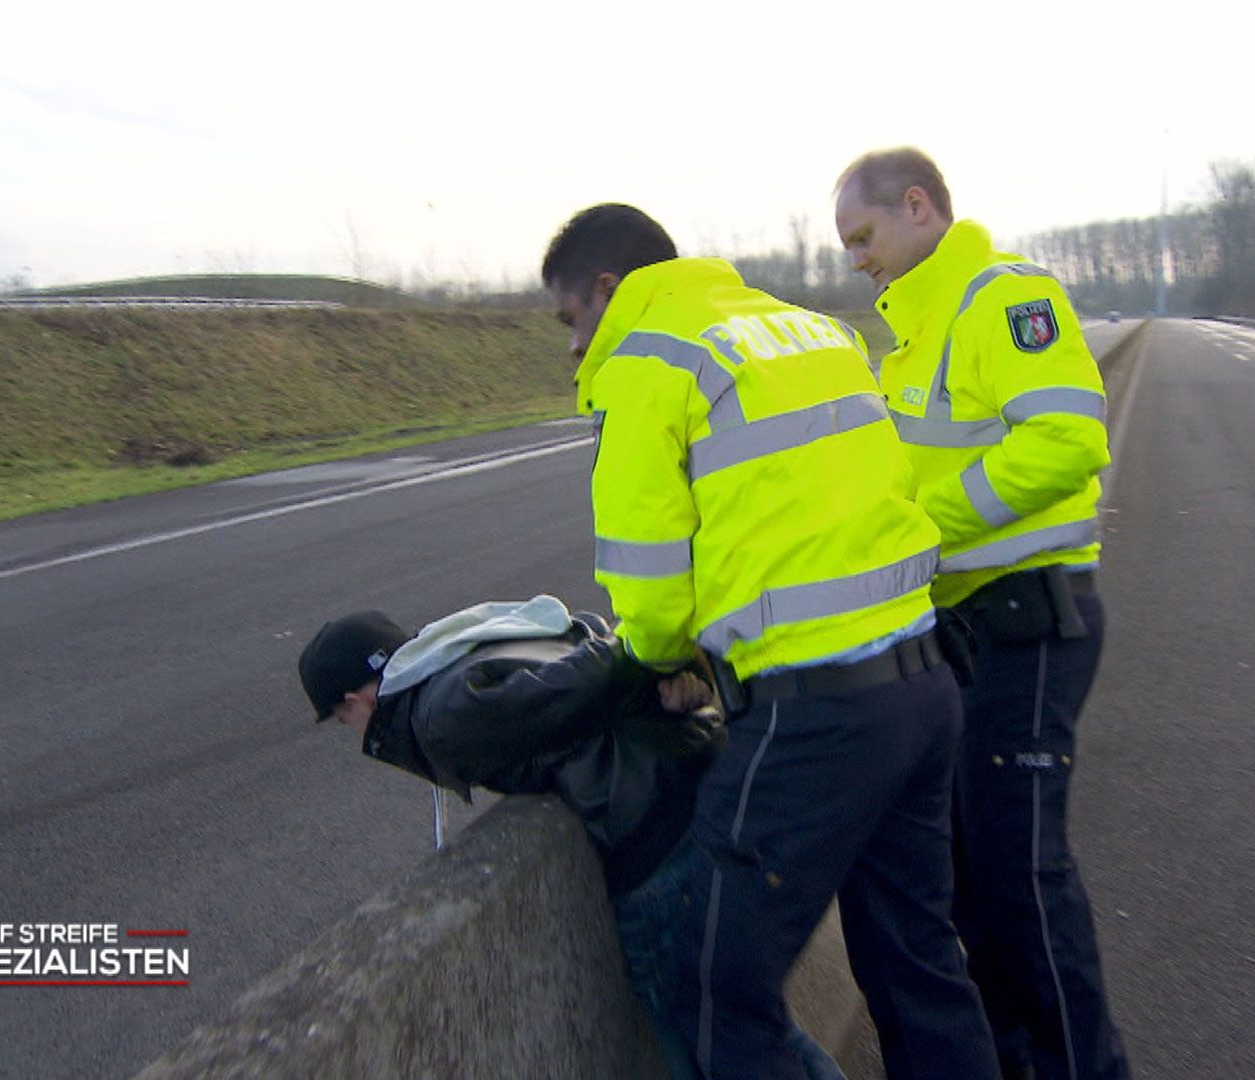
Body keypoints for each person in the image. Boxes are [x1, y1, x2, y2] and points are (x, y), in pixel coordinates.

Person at [541, 203, 999, 1080]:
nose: (572, 347)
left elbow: (647, 581)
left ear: (609, 289)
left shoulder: (648, 360)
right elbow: (856, 497)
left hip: (813, 722)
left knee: (712, 984)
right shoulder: (811, 331)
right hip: (923, 682)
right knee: (918, 965)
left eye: (571, 320)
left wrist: (670, 655)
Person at [832, 148, 1130, 1080]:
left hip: (1027, 624)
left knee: (1021, 879)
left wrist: (923, 526)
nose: (855, 260)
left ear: (917, 208)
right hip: (969, 636)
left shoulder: (1001, 299)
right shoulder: (913, 338)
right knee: (970, 886)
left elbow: (1069, 440)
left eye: (864, 236)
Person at [296, 596, 845, 1080]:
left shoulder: (444, 715)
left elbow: (585, 676)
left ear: (354, 701)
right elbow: (582, 641)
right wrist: (657, 687)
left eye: (343, 719)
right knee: (749, 1027)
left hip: (656, 852)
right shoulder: (467, 647)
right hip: (698, 799)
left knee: (714, 1043)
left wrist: (647, 665)